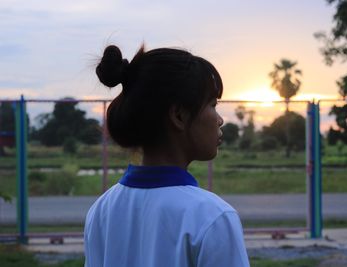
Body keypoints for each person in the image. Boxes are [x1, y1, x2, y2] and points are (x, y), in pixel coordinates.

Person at [84, 44, 250, 267]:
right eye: (212, 105)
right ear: (179, 115)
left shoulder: (101, 210)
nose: (220, 120)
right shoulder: (213, 218)